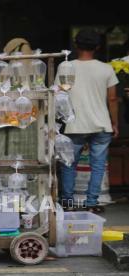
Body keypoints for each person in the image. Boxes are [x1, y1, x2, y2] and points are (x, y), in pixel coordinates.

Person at [57, 29, 119, 213]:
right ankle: (92, 203)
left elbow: (60, 94)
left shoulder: (66, 67)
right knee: (98, 165)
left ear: (76, 45)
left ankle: (67, 203)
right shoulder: (106, 68)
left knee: (69, 164)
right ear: (98, 47)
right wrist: (114, 123)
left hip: (74, 124)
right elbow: (113, 99)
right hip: (101, 125)